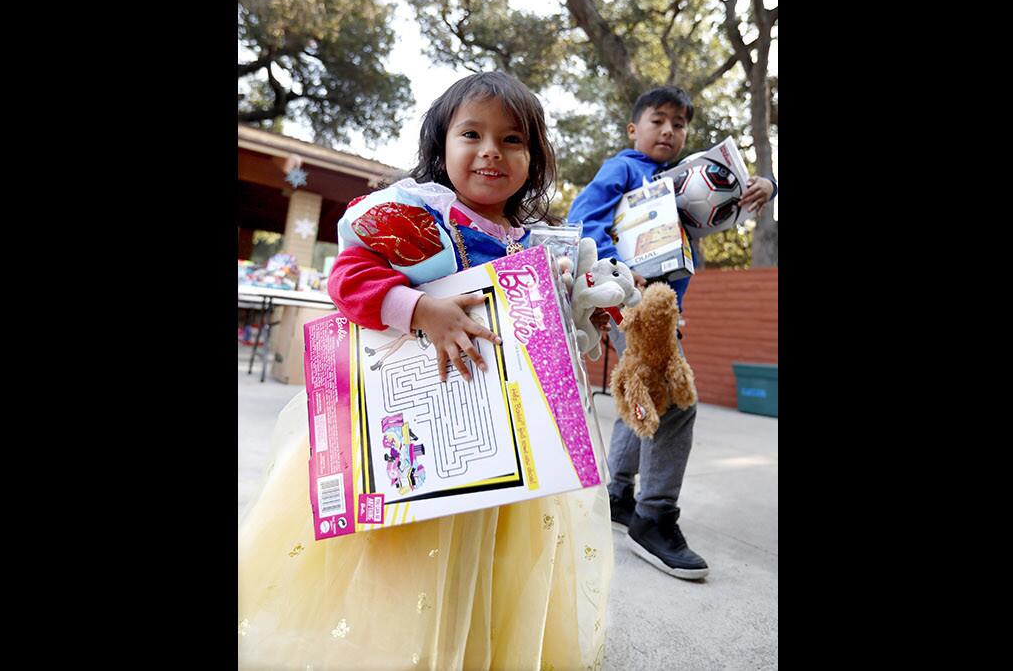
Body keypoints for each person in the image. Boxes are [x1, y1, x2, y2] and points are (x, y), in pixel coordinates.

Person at [238, 71, 613, 669]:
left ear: (534, 159)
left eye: (513, 139)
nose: (492, 150)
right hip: (412, 434)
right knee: (400, 566)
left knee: (490, 568)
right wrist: (418, 309)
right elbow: (349, 279)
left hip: (501, 448)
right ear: (440, 147)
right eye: (472, 133)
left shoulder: (537, 245)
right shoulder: (415, 215)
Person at [566, 85, 777, 580]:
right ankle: (654, 516)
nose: (668, 131)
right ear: (633, 128)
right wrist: (618, 268)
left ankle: (619, 493)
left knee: (640, 396)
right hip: (629, 303)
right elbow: (582, 217)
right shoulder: (623, 168)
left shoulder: (689, 179)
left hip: (666, 310)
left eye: (678, 125)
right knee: (677, 402)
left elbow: (732, 209)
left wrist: (767, 183)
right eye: (658, 120)